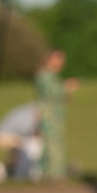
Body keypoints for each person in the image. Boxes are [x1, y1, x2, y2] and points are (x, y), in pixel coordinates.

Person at [34, 50, 74, 181]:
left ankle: (48, 174)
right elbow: (52, 92)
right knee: (53, 146)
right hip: (49, 116)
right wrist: (66, 87)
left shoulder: (52, 76)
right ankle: (55, 175)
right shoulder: (44, 75)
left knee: (53, 144)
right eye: (58, 59)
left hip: (55, 116)